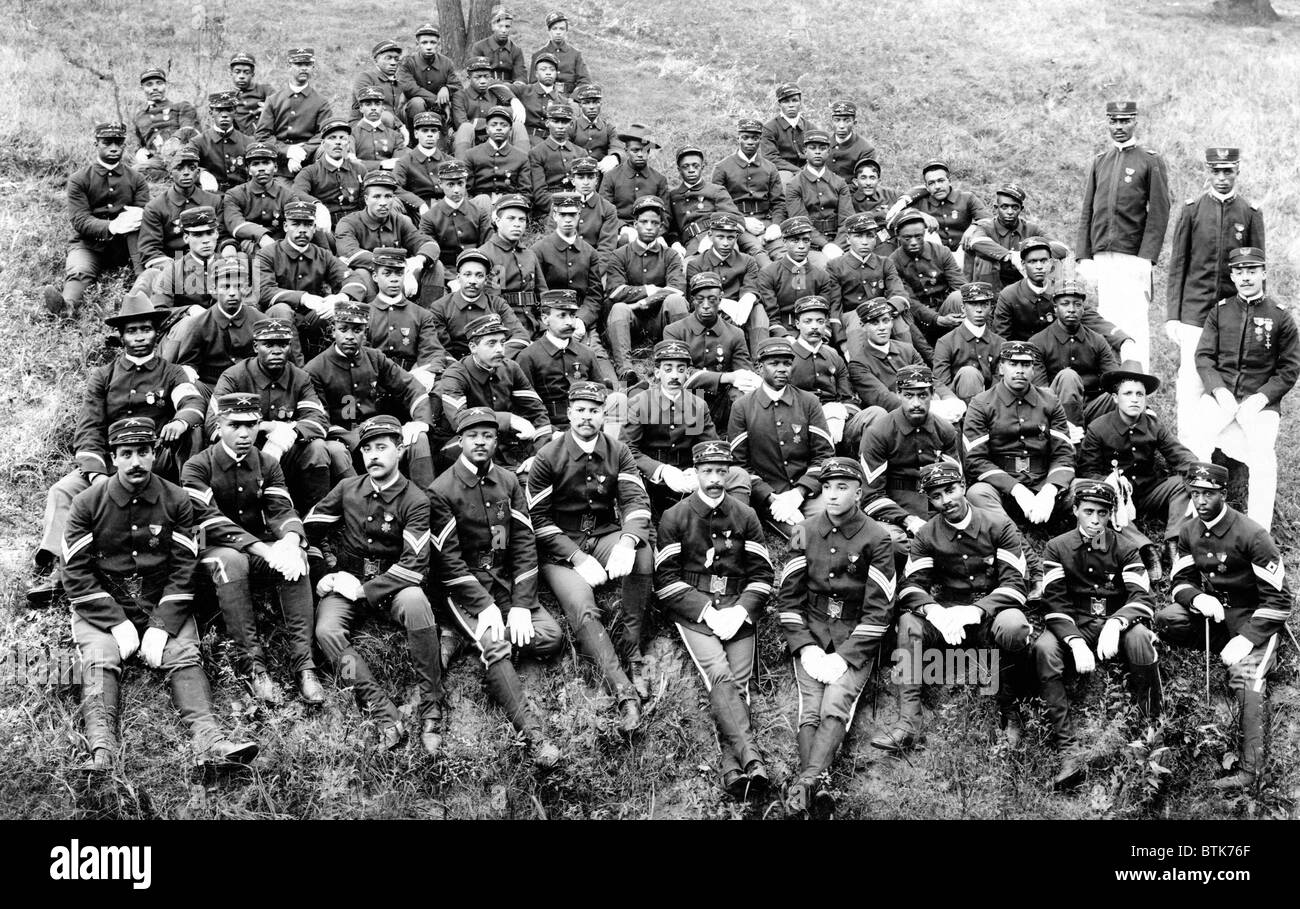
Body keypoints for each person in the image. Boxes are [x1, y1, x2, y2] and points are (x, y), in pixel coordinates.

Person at [63, 416, 258, 772]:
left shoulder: (178, 499)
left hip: (159, 601)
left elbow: (185, 567)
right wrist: (116, 621)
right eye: (126, 453)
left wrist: (162, 623)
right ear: (113, 457)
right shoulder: (86, 503)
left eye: (143, 452)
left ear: (154, 453)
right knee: (99, 658)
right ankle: (102, 751)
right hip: (105, 604)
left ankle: (211, 742)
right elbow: (75, 572)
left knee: (183, 654)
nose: (135, 461)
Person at [28, 294, 204, 605]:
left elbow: (191, 400)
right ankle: (60, 569)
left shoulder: (172, 372)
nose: (139, 337)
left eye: (146, 330)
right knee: (63, 490)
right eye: (132, 331)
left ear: (156, 333)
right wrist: (97, 476)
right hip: (111, 464)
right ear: (121, 336)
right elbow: (89, 427)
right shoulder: (104, 376)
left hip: (153, 463)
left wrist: (181, 420)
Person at [426, 407, 562, 769]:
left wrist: (521, 603)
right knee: (496, 645)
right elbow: (448, 561)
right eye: (473, 435)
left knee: (550, 637)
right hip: (465, 589)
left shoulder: (508, 481)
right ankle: (535, 736)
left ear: (496, 439)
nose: (481, 442)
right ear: (460, 440)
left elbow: (523, 542)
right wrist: (484, 605)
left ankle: (462, 638)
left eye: (488, 435)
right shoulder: (441, 489)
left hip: (504, 581)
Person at [305, 415, 445, 755]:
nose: (373, 456)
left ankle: (431, 706)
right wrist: (325, 573)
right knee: (326, 632)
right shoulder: (348, 489)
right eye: (366, 449)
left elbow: (415, 565)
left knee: (416, 602)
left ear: (399, 451)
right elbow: (306, 531)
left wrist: (365, 590)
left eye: (381, 448)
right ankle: (382, 710)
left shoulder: (415, 499)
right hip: (347, 582)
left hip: (391, 587)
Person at [871, 461, 1032, 753]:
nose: (946, 501)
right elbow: (911, 586)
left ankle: (1010, 715)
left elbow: (1015, 585)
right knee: (909, 624)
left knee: (1014, 625)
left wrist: (977, 609)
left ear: (963, 487)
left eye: (950, 490)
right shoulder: (928, 534)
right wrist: (934, 611)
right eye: (936, 496)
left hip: (988, 616)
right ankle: (908, 724)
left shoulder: (999, 526)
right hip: (946, 620)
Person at [1157, 462, 1292, 790]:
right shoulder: (1189, 530)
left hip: (1255, 617)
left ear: (1224, 494)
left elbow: (1281, 602)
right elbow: (1181, 580)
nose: (1201, 500)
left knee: (1244, 676)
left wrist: (1246, 639)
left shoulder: (1252, 535)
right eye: (1195, 493)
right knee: (1167, 618)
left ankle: (1250, 770)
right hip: (1217, 615)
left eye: (1208, 494)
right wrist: (1197, 599)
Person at [183, 393, 324, 706]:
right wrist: (264, 549)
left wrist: (289, 540)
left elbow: (281, 508)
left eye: (251, 425)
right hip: (209, 551)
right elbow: (208, 521)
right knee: (231, 559)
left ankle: (305, 666)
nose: (244, 434)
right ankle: (253, 666)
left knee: (296, 558)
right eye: (235, 425)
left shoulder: (267, 463)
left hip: (256, 551)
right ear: (219, 425)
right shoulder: (196, 466)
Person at [775, 457, 894, 815]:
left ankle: (805, 784)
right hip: (811, 631)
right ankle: (817, 788)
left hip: (854, 636)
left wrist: (844, 655)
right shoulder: (804, 529)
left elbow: (880, 610)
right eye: (827, 487)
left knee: (835, 704)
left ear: (859, 491)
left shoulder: (877, 537)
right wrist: (806, 647)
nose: (832, 494)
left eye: (842, 487)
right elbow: (788, 599)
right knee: (808, 711)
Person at [656, 440, 774, 799]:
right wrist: (707, 611)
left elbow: (763, 575)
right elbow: (664, 579)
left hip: (738, 606)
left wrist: (739, 611)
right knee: (719, 673)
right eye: (707, 471)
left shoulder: (745, 514)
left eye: (722, 471)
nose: (715, 479)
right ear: (694, 474)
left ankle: (732, 767)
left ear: (730, 473)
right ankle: (751, 754)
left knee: (739, 684)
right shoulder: (675, 516)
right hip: (695, 611)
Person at [527, 382, 655, 700]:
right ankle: (621, 686)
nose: (587, 417)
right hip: (562, 546)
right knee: (583, 606)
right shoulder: (547, 457)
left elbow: (636, 502)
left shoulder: (618, 450)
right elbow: (538, 520)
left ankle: (633, 654)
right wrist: (577, 558)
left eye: (594, 411)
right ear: (569, 413)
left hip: (603, 532)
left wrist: (627, 541)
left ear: (603, 415)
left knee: (642, 555)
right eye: (580, 410)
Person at [1035, 480, 1159, 789]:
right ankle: (1069, 751)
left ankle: (1150, 730)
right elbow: (1054, 600)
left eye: (1102, 513)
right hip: (1074, 623)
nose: (1094, 520)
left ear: (1110, 515)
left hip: (1114, 624)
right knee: (1044, 649)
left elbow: (1141, 598)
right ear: (1075, 510)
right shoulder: (1057, 547)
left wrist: (1117, 624)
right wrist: (1075, 641)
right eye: (1088, 511)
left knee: (1141, 639)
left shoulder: (1126, 547)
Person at [1189, 246, 1299, 529]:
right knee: (1196, 440)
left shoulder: (1280, 316)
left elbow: (1288, 369)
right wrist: (1218, 390)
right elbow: (1204, 357)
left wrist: (1261, 398)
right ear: (1233, 276)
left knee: (1263, 457)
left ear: (1263, 273)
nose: (1246, 278)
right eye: (1240, 272)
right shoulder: (1220, 311)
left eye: (1252, 271)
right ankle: (1196, 519)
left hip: (1259, 402)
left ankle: (1257, 530)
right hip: (1221, 395)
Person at [1165, 148, 1265, 440]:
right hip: (1194, 314)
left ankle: (1219, 450)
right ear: (1207, 173)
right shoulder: (1192, 209)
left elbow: (1258, 270)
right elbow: (1178, 266)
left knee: (1226, 383)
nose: (1221, 178)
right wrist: (1174, 316)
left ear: (1237, 172)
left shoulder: (1249, 213)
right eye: (1216, 172)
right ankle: (1186, 451)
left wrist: (1255, 314)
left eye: (1228, 172)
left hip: (1233, 316)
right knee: (1191, 381)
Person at [1076, 100, 1171, 371]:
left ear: (1135, 122)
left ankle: (1139, 384)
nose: (1119, 127)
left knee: (1134, 323)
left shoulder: (1149, 161)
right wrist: (1085, 255)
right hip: (1104, 257)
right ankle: (1113, 382)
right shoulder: (1100, 162)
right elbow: (1088, 210)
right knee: (1108, 320)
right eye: (1114, 121)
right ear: (1107, 123)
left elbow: (1159, 213)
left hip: (1133, 257)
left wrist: (1146, 257)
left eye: (1125, 121)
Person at [1078, 362, 1195, 577]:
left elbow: (1179, 455)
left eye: (1140, 394)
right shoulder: (1098, 428)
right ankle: (1145, 548)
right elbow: (1088, 470)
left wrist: (1200, 473)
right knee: (1102, 499)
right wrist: (1110, 482)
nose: (1134, 399)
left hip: (1149, 491)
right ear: (1115, 398)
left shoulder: (1154, 425)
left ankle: (1174, 542)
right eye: (1128, 393)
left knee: (1182, 483)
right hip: (1117, 497)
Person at [208, 318, 336, 513]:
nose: (277, 351)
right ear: (255, 346)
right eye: (268, 344)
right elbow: (214, 424)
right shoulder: (233, 376)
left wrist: (286, 433)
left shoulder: (299, 378)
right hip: (244, 451)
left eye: (283, 344)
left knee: (317, 448)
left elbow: (318, 420)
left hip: (286, 452)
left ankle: (315, 521)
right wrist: (266, 427)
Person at [305, 301, 435, 488]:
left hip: (378, 429)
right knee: (336, 450)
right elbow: (320, 419)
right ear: (333, 331)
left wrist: (420, 421)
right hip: (342, 437)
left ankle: (426, 503)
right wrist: (356, 436)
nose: (350, 336)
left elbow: (410, 387)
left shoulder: (375, 358)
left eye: (357, 330)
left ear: (365, 334)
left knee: (418, 437)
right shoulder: (315, 369)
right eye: (343, 329)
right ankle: (361, 500)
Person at [621, 340, 746, 517]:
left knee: (736, 475)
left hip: (688, 479)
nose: (674, 375)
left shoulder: (697, 405)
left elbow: (710, 446)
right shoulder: (640, 403)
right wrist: (661, 470)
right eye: (668, 369)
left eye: (681, 370)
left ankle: (733, 522)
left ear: (687, 374)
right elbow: (627, 449)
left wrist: (698, 470)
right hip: (651, 479)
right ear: (657, 372)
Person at [728, 336, 834, 537]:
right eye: (774, 363)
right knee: (801, 534)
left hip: (808, 490)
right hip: (771, 496)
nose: (782, 368)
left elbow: (824, 456)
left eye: (787, 363)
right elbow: (739, 464)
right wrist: (770, 497)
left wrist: (799, 493)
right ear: (759, 368)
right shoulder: (742, 407)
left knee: (829, 525)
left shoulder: (809, 402)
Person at [963, 341, 1076, 529]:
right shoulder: (981, 403)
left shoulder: (1050, 402)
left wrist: (1050, 490)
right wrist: (1017, 489)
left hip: (1043, 484)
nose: (1020, 370)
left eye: (1025, 365)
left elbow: (1064, 454)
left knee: (1087, 489)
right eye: (1013, 364)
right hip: (1002, 490)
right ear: (1001, 368)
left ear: (1033, 369)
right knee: (977, 494)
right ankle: (1012, 538)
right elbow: (975, 460)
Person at [42, 122, 149, 318]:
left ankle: (146, 300)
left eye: (119, 143)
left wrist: (136, 216)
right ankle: (67, 307)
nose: (114, 148)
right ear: (96, 144)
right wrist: (113, 226)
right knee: (79, 270)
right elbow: (80, 219)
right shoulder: (79, 179)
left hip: (126, 245)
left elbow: (143, 213)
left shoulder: (136, 179)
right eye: (107, 142)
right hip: (89, 244)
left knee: (144, 270)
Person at [857, 364, 961, 544]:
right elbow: (871, 496)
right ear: (898, 393)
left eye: (922, 395)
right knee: (894, 542)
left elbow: (956, 481)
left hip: (937, 507)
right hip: (893, 511)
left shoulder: (944, 430)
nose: (916, 403)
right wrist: (908, 520)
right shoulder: (879, 433)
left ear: (933, 394)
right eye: (908, 395)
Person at [434, 314, 552, 470]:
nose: (500, 349)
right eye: (491, 343)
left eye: (502, 343)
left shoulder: (510, 368)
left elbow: (537, 412)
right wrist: (508, 419)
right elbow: (459, 420)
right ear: (473, 347)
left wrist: (539, 454)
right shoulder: (455, 374)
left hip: (508, 448)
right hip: (467, 449)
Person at [993, 235, 1133, 357]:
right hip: (1026, 360)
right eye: (1032, 262)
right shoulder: (1009, 295)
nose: (1039, 266)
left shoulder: (1062, 290)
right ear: (1023, 264)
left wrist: (1123, 339)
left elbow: (1092, 319)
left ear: (1051, 263)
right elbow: (1002, 338)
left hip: (1060, 357)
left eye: (1043, 260)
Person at [663, 271, 761, 431]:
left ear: (721, 299)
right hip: (687, 396)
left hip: (721, 400)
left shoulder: (735, 333)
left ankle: (737, 443)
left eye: (712, 299)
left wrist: (750, 380)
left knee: (743, 395)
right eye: (700, 300)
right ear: (692, 300)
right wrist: (726, 377)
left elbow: (743, 373)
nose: (706, 305)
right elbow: (677, 373)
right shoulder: (675, 331)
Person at [604, 195, 689, 378]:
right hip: (631, 320)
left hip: (660, 319)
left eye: (654, 222)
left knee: (676, 301)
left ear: (660, 227)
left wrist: (645, 301)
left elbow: (677, 289)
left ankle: (679, 359)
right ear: (635, 224)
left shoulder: (670, 255)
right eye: (644, 222)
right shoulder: (620, 254)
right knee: (619, 308)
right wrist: (651, 290)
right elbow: (615, 291)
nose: (649, 227)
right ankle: (625, 369)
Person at [335, 170, 441, 303]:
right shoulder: (348, 223)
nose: (383, 202)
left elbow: (428, 244)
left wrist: (418, 261)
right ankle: (374, 318)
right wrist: (400, 266)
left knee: (435, 265)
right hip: (371, 281)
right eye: (377, 196)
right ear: (366, 199)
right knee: (361, 272)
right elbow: (350, 253)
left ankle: (430, 315)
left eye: (388, 196)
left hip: (397, 278)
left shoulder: (400, 220)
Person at [515, 291, 611, 434]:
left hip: (586, 426)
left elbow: (601, 396)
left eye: (572, 315)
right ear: (545, 318)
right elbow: (525, 405)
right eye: (562, 315)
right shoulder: (528, 357)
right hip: (547, 429)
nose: (569, 322)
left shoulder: (587, 353)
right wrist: (550, 431)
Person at [1028, 281, 1120, 430]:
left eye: (1077, 304)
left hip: (1093, 406)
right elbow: (1040, 390)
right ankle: (1071, 441)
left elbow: (1114, 379)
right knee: (1068, 376)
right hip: (1057, 410)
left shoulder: (1097, 340)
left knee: (1119, 394)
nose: (1072, 309)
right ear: (1055, 308)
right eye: (1065, 304)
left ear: (1083, 309)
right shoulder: (1038, 342)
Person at [685, 212, 768, 354]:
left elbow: (750, 286)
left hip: (741, 311)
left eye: (730, 238)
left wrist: (747, 299)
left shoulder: (747, 261)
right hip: (710, 309)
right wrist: (721, 303)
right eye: (720, 237)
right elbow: (694, 299)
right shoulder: (696, 264)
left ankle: (761, 357)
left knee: (758, 309)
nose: (725, 243)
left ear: (736, 237)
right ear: (710, 236)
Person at [363, 247, 447, 390]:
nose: (394, 279)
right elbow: (359, 353)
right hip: (374, 382)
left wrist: (425, 373)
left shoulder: (421, 315)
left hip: (412, 383)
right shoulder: (365, 314)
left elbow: (433, 352)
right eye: (387, 274)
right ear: (375, 277)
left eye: (399, 273)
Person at [962, 182, 1068, 291]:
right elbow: (976, 241)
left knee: (1048, 261)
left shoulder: (1031, 229)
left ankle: (1048, 297)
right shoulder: (986, 227)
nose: (1009, 212)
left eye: (1015, 207)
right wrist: (1010, 256)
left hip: (1022, 284)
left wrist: (1030, 253)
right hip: (992, 284)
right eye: (1004, 207)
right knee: (986, 260)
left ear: (1021, 209)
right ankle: (989, 299)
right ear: (996, 208)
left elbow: (1062, 249)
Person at [427, 248, 529, 360]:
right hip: (456, 370)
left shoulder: (497, 304)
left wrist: (493, 358)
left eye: (479, 275)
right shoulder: (440, 307)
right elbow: (439, 348)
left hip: (493, 365)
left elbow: (520, 335)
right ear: (458, 277)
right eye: (467, 274)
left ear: (486, 280)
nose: (473, 281)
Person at [711, 118, 785, 270]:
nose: (750, 142)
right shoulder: (722, 168)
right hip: (738, 224)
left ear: (760, 139)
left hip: (766, 222)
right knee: (758, 252)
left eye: (755, 138)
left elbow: (778, 202)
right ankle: (771, 282)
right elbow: (717, 203)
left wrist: (776, 224)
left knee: (782, 251)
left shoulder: (770, 168)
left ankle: (795, 288)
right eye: (745, 137)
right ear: (737, 138)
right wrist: (743, 221)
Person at [137, 146, 222, 274]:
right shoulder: (156, 207)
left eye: (192, 168)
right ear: (170, 172)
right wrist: (173, 269)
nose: (186, 172)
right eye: (179, 168)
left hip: (210, 263)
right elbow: (149, 248)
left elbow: (222, 236)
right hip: (173, 264)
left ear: (198, 172)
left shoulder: (214, 201)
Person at [888, 160, 988, 268]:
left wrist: (974, 227)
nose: (937, 186)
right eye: (931, 183)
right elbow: (891, 220)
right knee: (927, 233)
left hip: (964, 253)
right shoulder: (921, 202)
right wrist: (918, 214)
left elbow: (988, 220)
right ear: (926, 187)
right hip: (934, 258)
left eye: (941, 181)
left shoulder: (966, 198)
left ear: (949, 181)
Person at [786, 295, 857, 445]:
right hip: (799, 422)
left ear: (826, 324)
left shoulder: (833, 355)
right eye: (808, 321)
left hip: (837, 420)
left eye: (820, 321)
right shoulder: (787, 357)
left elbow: (847, 396)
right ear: (797, 324)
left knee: (873, 415)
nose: (814, 327)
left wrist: (840, 413)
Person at [255, 47, 334, 178]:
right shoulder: (274, 100)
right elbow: (262, 135)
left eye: (308, 64)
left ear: (313, 67)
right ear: (288, 66)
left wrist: (302, 152)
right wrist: (288, 151)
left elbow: (325, 134)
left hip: (310, 163)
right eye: (298, 64)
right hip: (278, 165)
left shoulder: (321, 102)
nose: (304, 68)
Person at [758, 216, 841, 339]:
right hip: (782, 334)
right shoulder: (769, 273)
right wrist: (784, 336)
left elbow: (825, 312)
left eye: (806, 240)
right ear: (784, 242)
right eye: (795, 241)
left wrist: (822, 336)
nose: (801, 246)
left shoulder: (821, 275)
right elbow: (771, 315)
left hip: (814, 334)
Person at [889, 208, 963, 346]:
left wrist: (951, 314)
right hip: (917, 319)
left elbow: (959, 285)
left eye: (918, 236)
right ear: (897, 236)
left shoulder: (941, 252)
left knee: (959, 296)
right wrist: (937, 319)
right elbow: (908, 300)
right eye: (907, 238)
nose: (913, 242)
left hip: (946, 310)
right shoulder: (892, 262)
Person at [782, 130, 852, 268]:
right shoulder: (794, 184)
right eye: (812, 148)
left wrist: (837, 245)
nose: (818, 152)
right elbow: (800, 222)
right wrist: (825, 245)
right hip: (809, 244)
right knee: (826, 268)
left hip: (839, 242)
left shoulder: (839, 183)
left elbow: (847, 220)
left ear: (829, 151)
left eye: (822, 148)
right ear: (804, 151)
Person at [932, 281, 1005, 403]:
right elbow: (941, 384)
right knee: (968, 374)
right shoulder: (946, 342)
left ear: (991, 309)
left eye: (984, 304)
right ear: (963, 308)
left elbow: (1001, 380)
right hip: (958, 405)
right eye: (973, 304)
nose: (979, 310)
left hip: (992, 403)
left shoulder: (1000, 343)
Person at [417, 160, 493, 272]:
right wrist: (451, 279)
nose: (456, 190)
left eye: (460, 183)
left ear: (466, 182)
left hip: (477, 270)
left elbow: (488, 246)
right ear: (440, 184)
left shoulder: (479, 212)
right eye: (450, 185)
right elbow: (430, 253)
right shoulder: (429, 218)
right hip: (444, 273)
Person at [131, 67, 200, 180]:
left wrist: (173, 142)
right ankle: (180, 177)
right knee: (134, 172)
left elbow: (189, 130)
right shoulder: (140, 116)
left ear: (165, 85)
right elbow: (138, 142)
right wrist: (139, 150)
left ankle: (193, 175)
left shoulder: (181, 106)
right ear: (142, 88)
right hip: (158, 160)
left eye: (159, 83)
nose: (155, 88)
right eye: (149, 84)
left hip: (183, 154)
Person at [599, 123, 670, 231]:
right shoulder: (611, 177)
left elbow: (666, 216)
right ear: (626, 151)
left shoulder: (659, 180)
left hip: (651, 232)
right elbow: (604, 212)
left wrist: (656, 234)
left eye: (645, 150)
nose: (641, 154)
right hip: (619, 232)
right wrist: (622, 228)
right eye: (635, 150)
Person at [398, 23, 462, 133]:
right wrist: (440, 103)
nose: (429, 47)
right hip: (411, 112)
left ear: (439, 44)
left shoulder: (446, 62)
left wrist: (446, 88)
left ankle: (454, 131)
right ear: (417, 44)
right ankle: (414, 140)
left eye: (433, 42)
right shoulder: (408, 63)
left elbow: (458, 86)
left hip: (438, 113)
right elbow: (410, 89)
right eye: (424, 42)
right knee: (417, 103)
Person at [464, 106, 533, 207]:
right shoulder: (471, 154)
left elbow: (525, 193)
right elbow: (466, 190)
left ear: (510, 130)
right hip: (479, 207)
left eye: (503, 125)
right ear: (487, 129)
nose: (499, 128)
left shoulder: (521, 157)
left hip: (509, 207)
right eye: (494, 124)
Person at [193, 91, 252, 192]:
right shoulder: (199, 141)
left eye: (229, 110)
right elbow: (182, 162)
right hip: (210, 194)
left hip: (242, 194)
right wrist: (202, 173)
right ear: (211, 113)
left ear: (235, 112)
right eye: (219, 110)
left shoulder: (248, 141)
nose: (224, 115)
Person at [760, 82, 818, 184]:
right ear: (779, 104)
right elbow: (770, 157)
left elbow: (817, 153)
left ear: (800, 102)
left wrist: (807, 169)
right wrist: (797, 171)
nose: (791, 105)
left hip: (808, 168)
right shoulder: (770, 128)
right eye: (786, 101)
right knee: (786, 182)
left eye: (794, 100)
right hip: (782, 170)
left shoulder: (810, 128)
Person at [529, 10, 591, 94]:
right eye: (554, 29)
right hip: (545, 97)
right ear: (549, 31)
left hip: (570, 98)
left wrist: (574, 98)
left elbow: (584, 81)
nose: (558, 32)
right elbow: (533, 83)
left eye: (561, 29)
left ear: (566, 31)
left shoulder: (575, 54)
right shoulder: (538, 55)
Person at [569, 84, 623, 167]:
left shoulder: (608, 128)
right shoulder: (572, 126)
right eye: (586, 103)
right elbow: (565, 149)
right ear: (580, 105)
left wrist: (613, 157)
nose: (591, 107)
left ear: (601, 104)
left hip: (602, 170)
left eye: (595, 102)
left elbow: (617, 147)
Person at [468, 8, 527, 84]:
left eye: (507, 26)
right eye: (500, 26)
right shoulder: (479, 47)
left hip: (510, 89)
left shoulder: (516, 50)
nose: (504, 30)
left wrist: (517, 85)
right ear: (493, 26)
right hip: (486, 88)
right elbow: (476, 74)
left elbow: (521, 76)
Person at [350, 89, 406, 164]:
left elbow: (399, 164)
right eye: (368, 104)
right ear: (361, 108)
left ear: (383, 108)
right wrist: (381, 164)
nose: (373, 108)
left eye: (377, 104)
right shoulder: (352, 134)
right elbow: (351, 163)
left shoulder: (395, 136)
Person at [826, 100, 875, 182]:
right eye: (837, 120)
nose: (841, 126)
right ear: (832, 122)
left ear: (854, 122)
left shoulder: (865, 150)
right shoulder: (823, 145)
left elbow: (864, 182)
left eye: (847, 121)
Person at [229, 52, 272, 136]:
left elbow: (282, 109)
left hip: (261, 137)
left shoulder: (264, 90)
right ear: (231, 73)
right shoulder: (228, 96)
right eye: (237, 72)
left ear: (252, 74)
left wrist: (268, 110)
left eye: (246, 72)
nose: (241, 76)